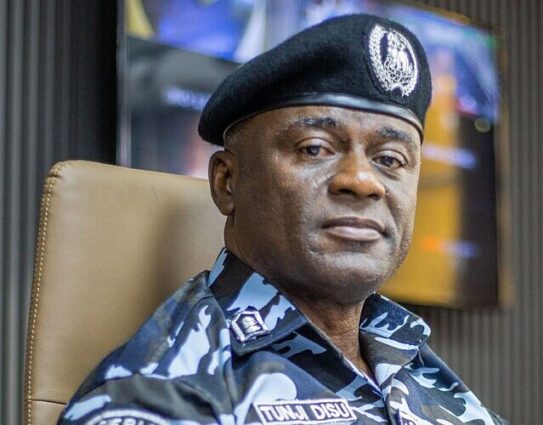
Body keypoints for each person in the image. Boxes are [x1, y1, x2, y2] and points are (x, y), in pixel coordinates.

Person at [58, 14, 509, 425]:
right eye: (315, 148)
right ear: (227, 181)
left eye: (390, 159)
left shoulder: (411, 359)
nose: (362, 181)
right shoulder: (165, 397)